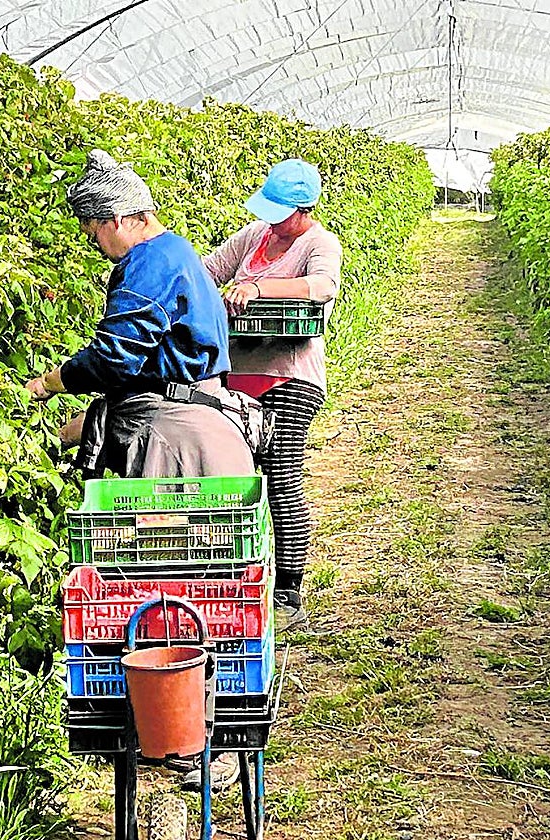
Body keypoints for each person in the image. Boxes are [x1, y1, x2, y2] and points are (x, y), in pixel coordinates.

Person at [25, 149, 255, 479]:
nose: (98, 249)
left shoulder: (148, 264)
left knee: (166, 528)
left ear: (116, 219)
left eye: (94, 237)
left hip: (175, 436)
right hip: (200, 416)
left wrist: (50, 383)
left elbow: (114, 358)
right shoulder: (176, 249)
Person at [203, 158, 343, 632]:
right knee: (232, 475)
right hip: (236, 376)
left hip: (290, 375)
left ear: (304, 209)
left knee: (282, 470)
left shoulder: (319, 242)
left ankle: (288, 589)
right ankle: (234, 579)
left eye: (281, 212)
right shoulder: (254, 235)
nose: (274, 220)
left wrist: (260, 287)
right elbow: (210, 270)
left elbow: (322, 288)